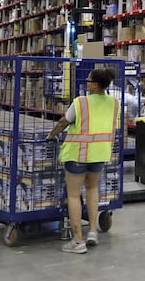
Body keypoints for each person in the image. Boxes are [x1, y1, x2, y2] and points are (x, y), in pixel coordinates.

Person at [47, 67, 120, 254]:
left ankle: (78, 241)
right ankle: (93, 231)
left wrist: (51, 135)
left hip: (78, 154)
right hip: (100, 154)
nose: (86, 83)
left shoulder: (80, 103)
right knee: (92, 188)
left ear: (95, 85)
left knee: (73, 195)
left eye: (88, 80)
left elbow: (64, 122)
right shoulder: (114, 103)